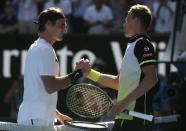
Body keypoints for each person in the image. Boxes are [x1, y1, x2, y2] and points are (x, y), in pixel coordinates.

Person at [78, 4, 158, 131]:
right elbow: (118, 83)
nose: (123, 24)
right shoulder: (132, 46)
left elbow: (151, 79)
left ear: (136, 21)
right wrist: (89, 73)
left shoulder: (142, 44)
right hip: (126, 118)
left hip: (137, 119)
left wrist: (122, 104)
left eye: (127, 20)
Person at [17, 7, 83, 126]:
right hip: (36, 119)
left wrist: (58, 115)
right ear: (48, 24)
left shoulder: (41, 47)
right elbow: (50, 86)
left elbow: (41, 90)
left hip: (38, 118)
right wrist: (77, 74)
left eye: (65, 25)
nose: (65, 29)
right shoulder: (44, 49)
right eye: (61, 25)